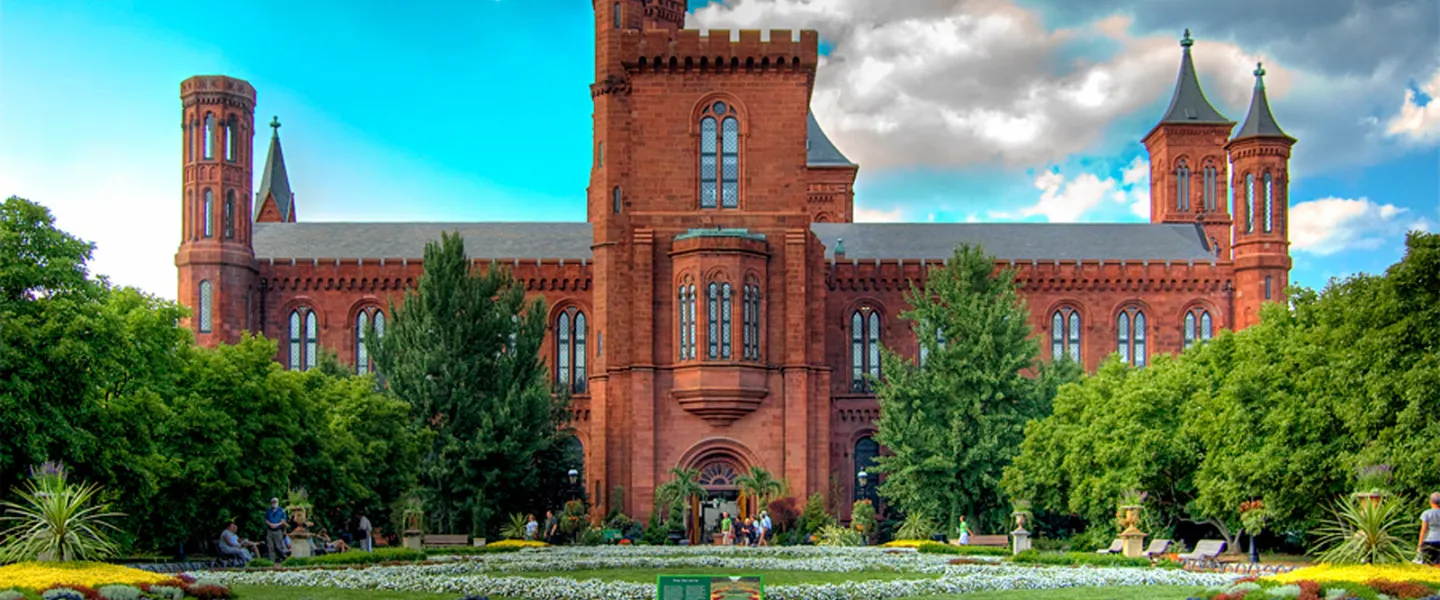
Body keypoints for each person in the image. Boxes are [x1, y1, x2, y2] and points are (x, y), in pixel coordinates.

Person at [265, 498, 288, 562]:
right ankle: (272, 561)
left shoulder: (281, 510)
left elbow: (283, 520)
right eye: (272, 502)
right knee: (270, 546)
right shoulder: (268, 511)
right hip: (270, 530)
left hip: (278, 530)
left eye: (275, 502)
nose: (274, 503)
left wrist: (276, 525)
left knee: (278, 546)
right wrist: (270, 524)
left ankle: (284, 558)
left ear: (277, 502)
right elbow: (266, 520)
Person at [1420, 492, 1440, 565]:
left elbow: (1423, 530)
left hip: (1429, 540)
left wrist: (1420, 544)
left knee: (1427, 563)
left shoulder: (1426, 513)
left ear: (1430, 502)